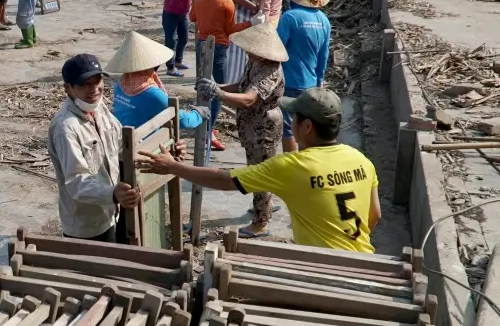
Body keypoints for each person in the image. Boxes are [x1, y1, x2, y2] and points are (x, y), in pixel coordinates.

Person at [138, 88, 380, 253]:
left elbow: (226, 180)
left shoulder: (292, 166)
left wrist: (174, 167)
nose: (290, 123)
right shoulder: (361, 160)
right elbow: (375, 215)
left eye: (293, 117)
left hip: (324, 269)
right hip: (365, 260)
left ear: (307, 126)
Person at [195, 22, 287, 237]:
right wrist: (217, 87)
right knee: (256, 167)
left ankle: (261, 220)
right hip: (250, 125)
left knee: (260, 172)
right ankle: (264, 204)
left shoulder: (270, 70)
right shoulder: (254, 63)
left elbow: (248, 99)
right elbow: (241, 86)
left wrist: (219, 94)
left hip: (264, 126)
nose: (247, 52)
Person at [47, 54, 140, 241]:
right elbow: (76, 181)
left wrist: (162, 157)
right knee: (93, 268)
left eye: (97, 81)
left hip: (112, 212)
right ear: (68, 88)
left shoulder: (99, 109)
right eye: (85, 84)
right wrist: (112, 193)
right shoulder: (65, 128)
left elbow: (124, 147)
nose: (95, 89)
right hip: (86, 225)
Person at [107, 32, 208, 132]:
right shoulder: (151, 93)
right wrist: (198, 113)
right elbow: (183, 121)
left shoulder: (120, 84)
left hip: (123, 139)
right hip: (145, 144)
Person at [189, 0, 243, 151]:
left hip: (201, 45)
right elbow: (230, 30)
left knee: (203, 86)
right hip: (219, 47)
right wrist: (251, 23)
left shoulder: (198, 0)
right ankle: (208, 133)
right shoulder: (227, 2)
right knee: (219, 90)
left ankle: (203, 124)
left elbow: (192, 18)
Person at [277, 0, 333, 153]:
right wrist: (319, 80)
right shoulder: (324, 21)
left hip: (290, 80)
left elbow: (277, 48)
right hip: (310, 83)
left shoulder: (290, 17)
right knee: (306, 129)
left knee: (288, 128)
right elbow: (324, 55)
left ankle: (291, 168)